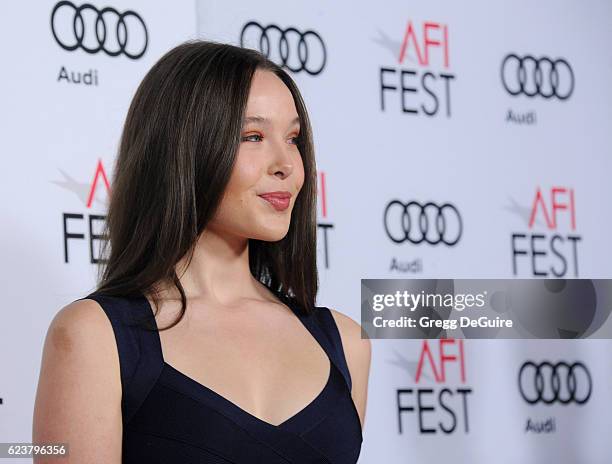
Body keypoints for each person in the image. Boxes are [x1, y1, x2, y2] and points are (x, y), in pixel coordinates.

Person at [32, 39, 371, 463]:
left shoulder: (346, 343)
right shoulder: (94, 336)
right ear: (182, 149)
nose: (287, 164)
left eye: (293, 138)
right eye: (253, 136)